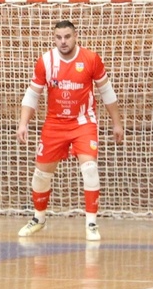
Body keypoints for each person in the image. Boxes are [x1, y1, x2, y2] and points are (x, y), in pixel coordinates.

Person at [15, 20, 125, 242]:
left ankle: (91, 224)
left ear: (76, 36)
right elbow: (33, 94)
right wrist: (23, 123)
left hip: (83, 122)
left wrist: (117, 123)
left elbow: (106, 91)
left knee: (90, 169)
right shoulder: (46, 61)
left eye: (67, 36)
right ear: (54, 38)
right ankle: (39, 219)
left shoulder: (91, 59)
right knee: (40, 175)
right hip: (55, 124)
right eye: (58, 37)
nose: (63, 41)